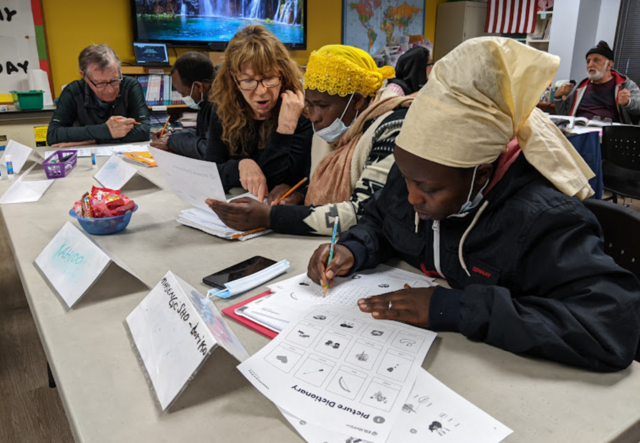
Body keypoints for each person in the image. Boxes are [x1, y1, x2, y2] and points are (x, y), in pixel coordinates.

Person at [307, 37, 640, 372]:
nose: (411, 197)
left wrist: (455, 308)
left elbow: (610, 327)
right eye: (406, 178)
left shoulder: (543, 221)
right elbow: (383, 219)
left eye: (428, 188)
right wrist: (354, 248)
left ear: (480, 176)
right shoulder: (415, 174)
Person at [207, 45, 411, 236]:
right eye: (310, 106)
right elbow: (312, 181)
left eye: (321, 105)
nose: (313, 117)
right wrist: (299, 195)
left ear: (357, 100)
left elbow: (363, 212)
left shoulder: (392, 129)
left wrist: (270, 217)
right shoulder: (337, 130)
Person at [204, 25, 312, 201]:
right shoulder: (223, 108)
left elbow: (279, 183)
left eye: (268, 78)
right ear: (234, 79)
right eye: (248, 80)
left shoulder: (299, 113)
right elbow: (208, 174)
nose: (261, 92)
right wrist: (240, 166)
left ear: (282, 75)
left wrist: (285, 129)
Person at [47, 44, 150, 147]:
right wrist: (106, 131)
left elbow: (144, 131)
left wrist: (93, 141)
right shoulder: (73, 91)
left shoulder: (130, 86)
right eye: (101, 83)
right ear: (84, 76)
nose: (110, 90)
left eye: (114, 80)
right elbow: (53, 135)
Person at [554, 41, 640, 124]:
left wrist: (628, 102)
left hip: (608, 135)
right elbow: (565, 116)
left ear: (609, 64)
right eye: (588, 61)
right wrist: (557, 97)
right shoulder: (580, 87)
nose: (590, 64)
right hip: (578, 131)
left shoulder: (624, 84)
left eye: (596, 60)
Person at [150, 52, 216, 159]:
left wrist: (172, 141)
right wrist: (173, 135)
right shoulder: (207, 100)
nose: (183, 98)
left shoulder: (219, 105)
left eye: (183, 93)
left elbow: (210, 150)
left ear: (198, 87)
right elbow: (203, 132)